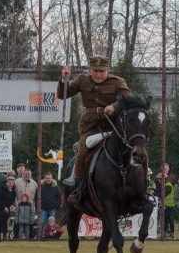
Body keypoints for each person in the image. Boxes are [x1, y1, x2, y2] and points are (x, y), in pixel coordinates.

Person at [58, 55, 138, 204]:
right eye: (95, 70)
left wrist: (114, 106)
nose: (98, 74)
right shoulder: (82, 80)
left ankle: (141, 187)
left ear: (108, 70)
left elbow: (129, 99)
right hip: (92, 126)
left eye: (102, 71)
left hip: (115, 126)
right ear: (90, 70)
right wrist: (64, 79)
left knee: (137, 148)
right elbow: (63, 95)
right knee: (82, 149)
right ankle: (79, 190)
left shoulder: (118, 82)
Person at [0, 175, 17, 241]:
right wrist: (4, 207)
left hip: (9, 209)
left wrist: (12, 205)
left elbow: (13, 199)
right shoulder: (1, 189)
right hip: (0, 208)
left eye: (12, 183)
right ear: (6, 182)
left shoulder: (14, 190)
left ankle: (5, 236)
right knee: (0, 222)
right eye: (9, 183)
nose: (11, 184)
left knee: (7, 223)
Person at [39, 172, 61, 239]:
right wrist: (38, 207)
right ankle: (40, 236)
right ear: (44, 178)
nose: (48, 179)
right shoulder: (40, 187)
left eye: (49, 178)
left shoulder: (56, 187)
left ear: (52, 179)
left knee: (52, 223)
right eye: (46, 178)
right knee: (42, 222)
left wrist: (56, 205)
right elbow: (37, 197)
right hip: (43, 208)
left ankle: (52, 236)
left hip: (52, 208)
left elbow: (59, 197)